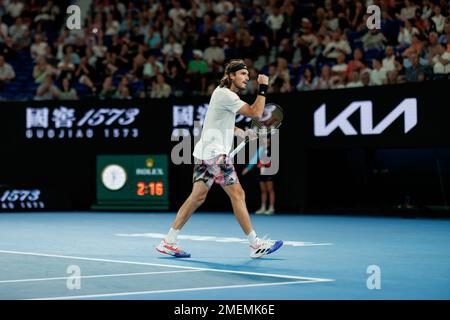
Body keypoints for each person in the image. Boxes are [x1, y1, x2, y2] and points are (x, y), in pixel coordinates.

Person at [156, 59, 283, 259]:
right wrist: (263, 87)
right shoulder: (225, 94)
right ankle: (255, 244)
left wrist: (242, 133)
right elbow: (256, 112)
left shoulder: (222, 95)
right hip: (215, 154)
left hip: (204, 152)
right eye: (242, 74)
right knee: (238, 195)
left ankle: (168, 241)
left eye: (247, 75)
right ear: (231, 75)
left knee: (197, 197)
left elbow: (222, 124)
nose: (246, 78)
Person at [242, 135, 276, 215]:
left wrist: (264, 165)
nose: (265, 140)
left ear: (269, 140)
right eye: (264, 139)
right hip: (261, 173)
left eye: (267, 139)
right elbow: (254, 159)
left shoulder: (272, 149)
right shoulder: (260, 149)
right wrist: (247, 169)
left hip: (269, 172)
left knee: (270, 190)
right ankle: (263, 207)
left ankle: (271, 208)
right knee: (263, 190)